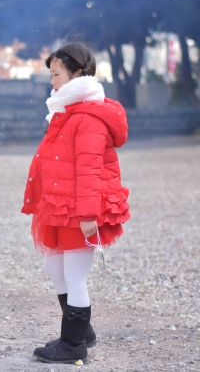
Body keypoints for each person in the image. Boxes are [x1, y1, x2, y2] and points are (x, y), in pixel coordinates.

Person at [21, 42, 131, 364]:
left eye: (56, 74)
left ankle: (72, 346)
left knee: (74, 273)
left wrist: (87, 215)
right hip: (62, 207)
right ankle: (82, 332)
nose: (52, 81)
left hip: (81, 211)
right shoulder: (65, 112)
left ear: (78, 73)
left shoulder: (89, 118)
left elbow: (89, 170)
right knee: (54, 267)